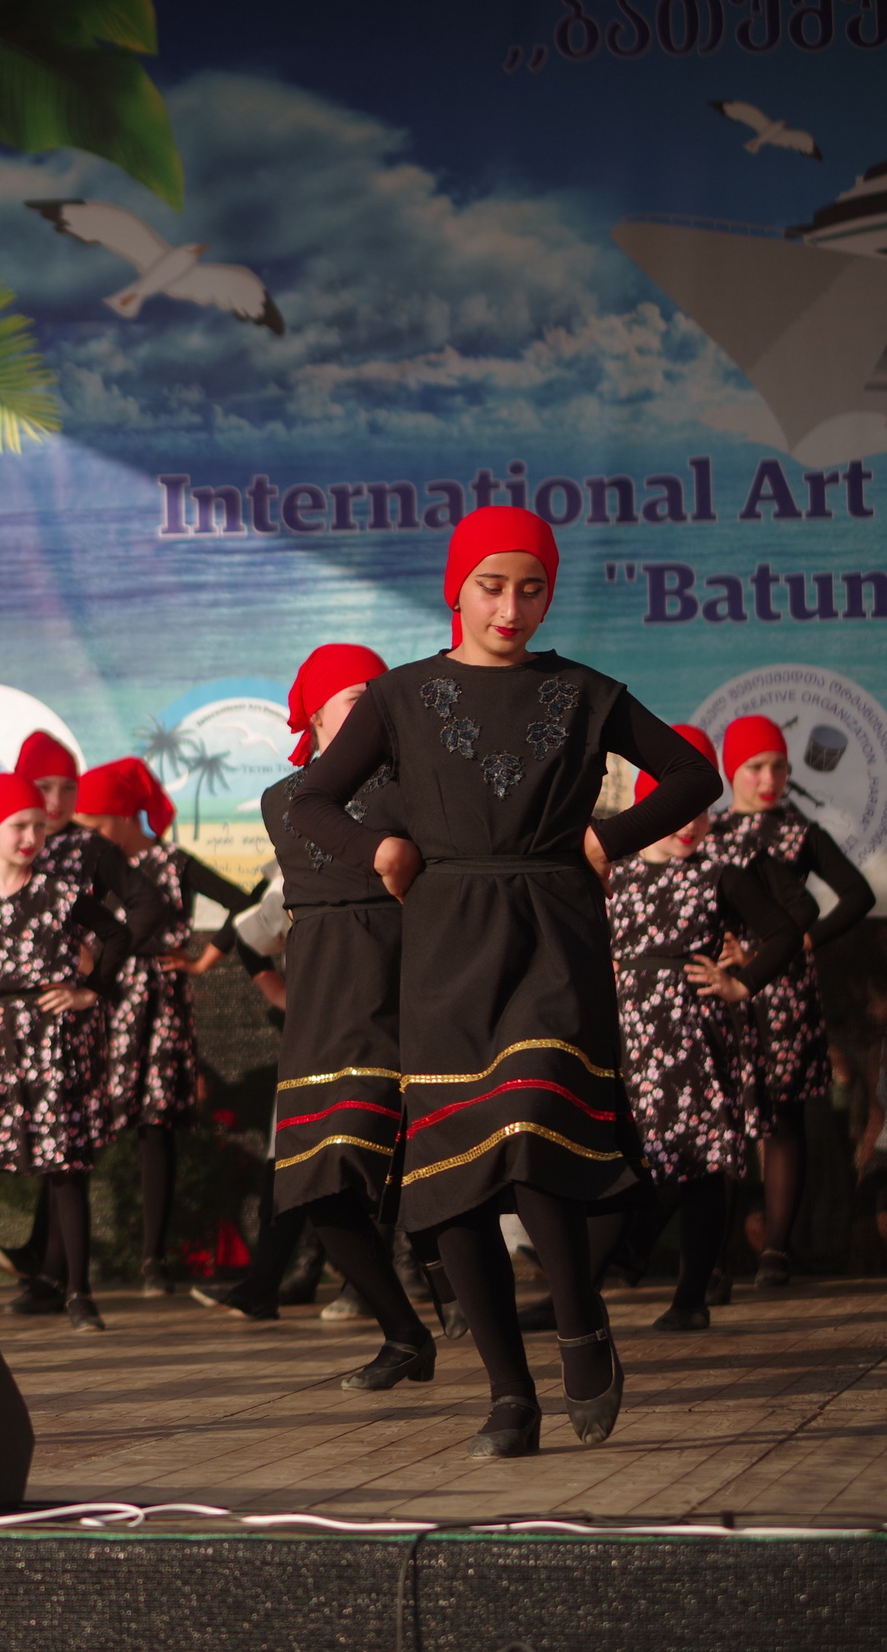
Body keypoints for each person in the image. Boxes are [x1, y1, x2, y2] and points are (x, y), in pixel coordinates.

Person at [292, 505, 719, 1459]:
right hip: (444, 944)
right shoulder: (401, 697)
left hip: (554, 933)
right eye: (493, 584)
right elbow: (311, 798)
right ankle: (507, 1394)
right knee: (451, 1179)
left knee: (529, 1124)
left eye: (532, 586)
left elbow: (694, 776)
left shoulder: (584, 690)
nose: (512, 605)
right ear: (457, 587)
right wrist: (381, 846)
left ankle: (579, 1328)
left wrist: (613, 837)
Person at [207, 644, 438, 1389]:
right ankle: (403, 1330)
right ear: (311, 715)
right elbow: (337, 852)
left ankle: (458, 1296)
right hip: (327, 994)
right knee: (315, 1179)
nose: (372, 713)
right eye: (351, 700)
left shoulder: (419, 786)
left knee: (425, 1158)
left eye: (379, 698)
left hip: (406, 982)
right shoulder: (290, 797)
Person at [0, 775, 130, 1331]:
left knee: (65, 1163)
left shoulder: (59, 891)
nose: (33, 835)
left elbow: (118, 934)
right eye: (20, 825)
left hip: (54, 1042)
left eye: (38, 825)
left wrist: (90, 991)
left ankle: (79, 1294)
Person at [608, 725, 803, 1332]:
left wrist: (740, 984)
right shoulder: (614, 874)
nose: (690, 824)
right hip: (629, 1034)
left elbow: (784, 931)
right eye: (675, 813)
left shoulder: (718, 875)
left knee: (703, 1159)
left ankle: (691, 1296)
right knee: (635, 1157)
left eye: (701, 812)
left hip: (695, 1034)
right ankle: (599, 1276)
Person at [76, 756, 259, 1296]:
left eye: (93, 822)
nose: (86, 834)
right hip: (104, 1002)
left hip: (160, 1000)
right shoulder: (90, 867)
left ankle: (153, 1259)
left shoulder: (175, 862)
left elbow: (249, 903)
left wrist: (206, 958)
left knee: (155, 1127)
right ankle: (59, 1266)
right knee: (84, 1124)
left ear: (124, 816)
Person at [706, 714, 877, 1287]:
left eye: (779, 765)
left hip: (784, 993)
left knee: (781, 1118)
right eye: (756, 766)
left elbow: (857, 894)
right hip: (727, 992)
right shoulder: (713, 831)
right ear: (734, 771)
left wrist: (807, 937)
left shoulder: (799, 832)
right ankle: (715, 1257)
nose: (769, 777)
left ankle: (775, 1251)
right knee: (724, 1118)